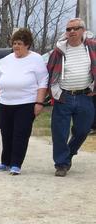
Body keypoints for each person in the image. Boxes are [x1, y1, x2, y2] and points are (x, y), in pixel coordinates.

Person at [0, 28, 49, 175]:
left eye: (20, 43)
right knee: (6, 133)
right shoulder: (7, 59)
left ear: (27, 44)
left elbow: (43, 82)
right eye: (14, 43)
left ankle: (16, 163)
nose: (16, 46)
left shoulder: (36, 59)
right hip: (5, 103)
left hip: (26, 103)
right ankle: (5, 161)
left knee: (20, 134)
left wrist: (39, 103)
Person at [46, 17, 96, 177]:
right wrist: (54, 92)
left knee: (83, 130)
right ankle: (61, 164)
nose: (72, 31)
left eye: (75, 28)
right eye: (68, 29)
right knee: (59, 133)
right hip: (64, 97)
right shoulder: (58, 51)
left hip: (85, 96)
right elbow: (50, 71)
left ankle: (69, 153)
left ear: (83, 30)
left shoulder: (92, 47)